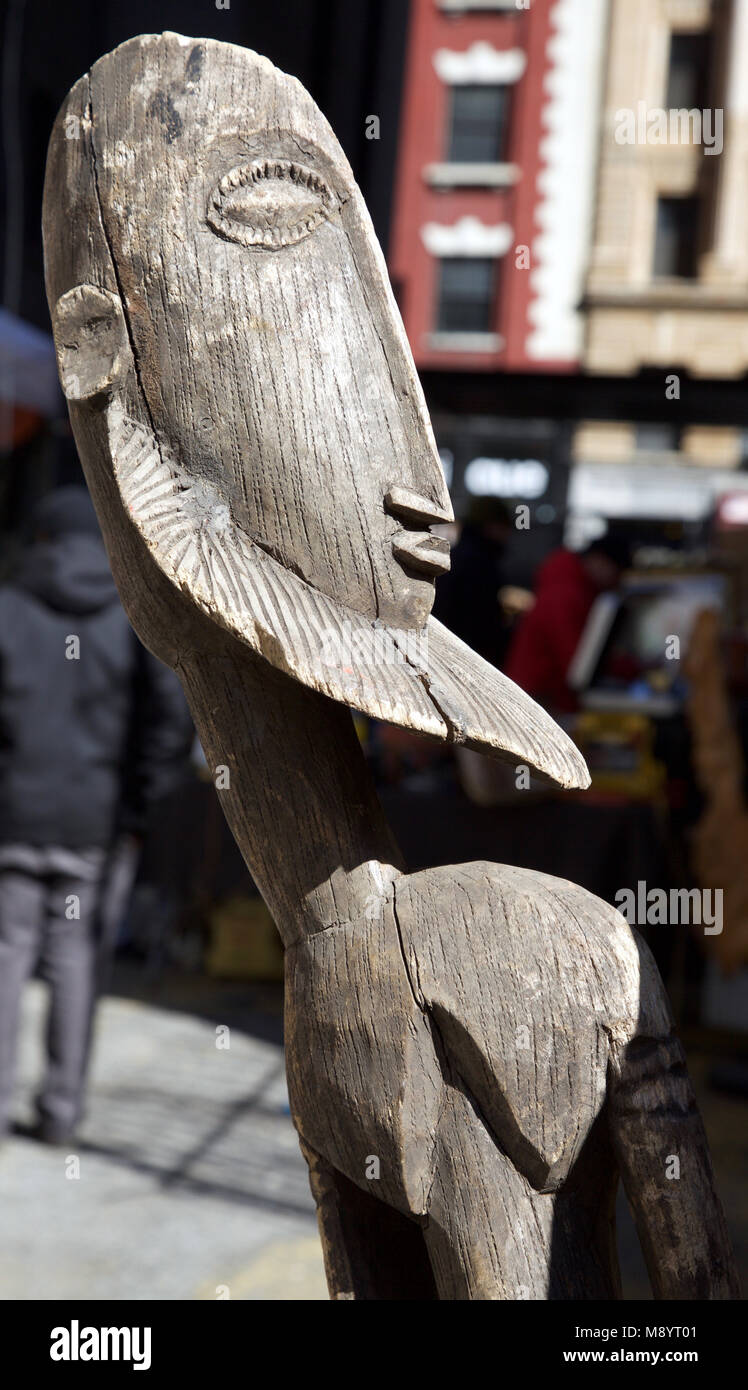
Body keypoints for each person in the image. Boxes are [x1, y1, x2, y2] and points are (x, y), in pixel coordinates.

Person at [0, 486, 193, 1144]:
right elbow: (169, 720)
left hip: (13, 818)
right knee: (75, 958)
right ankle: (61, 1114)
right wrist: (138, 802)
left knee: (5, 954)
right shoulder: (130, 616)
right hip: (96, 824)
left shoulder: (9, 609)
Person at [504, 532, 631, 713]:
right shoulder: (567, 593)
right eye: (616, 572)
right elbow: (576, 662)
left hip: (537, 693)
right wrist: (629, 668)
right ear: (600, 561)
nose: (616, 581)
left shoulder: (571, 585)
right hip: (539, 699)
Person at [432, 497, 512, 667]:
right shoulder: (482, 564)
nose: (508, 535)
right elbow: (483, 623)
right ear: (491, 526)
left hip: (442, 651)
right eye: (504, 527)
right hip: (469, 659)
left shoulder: (454, 555)